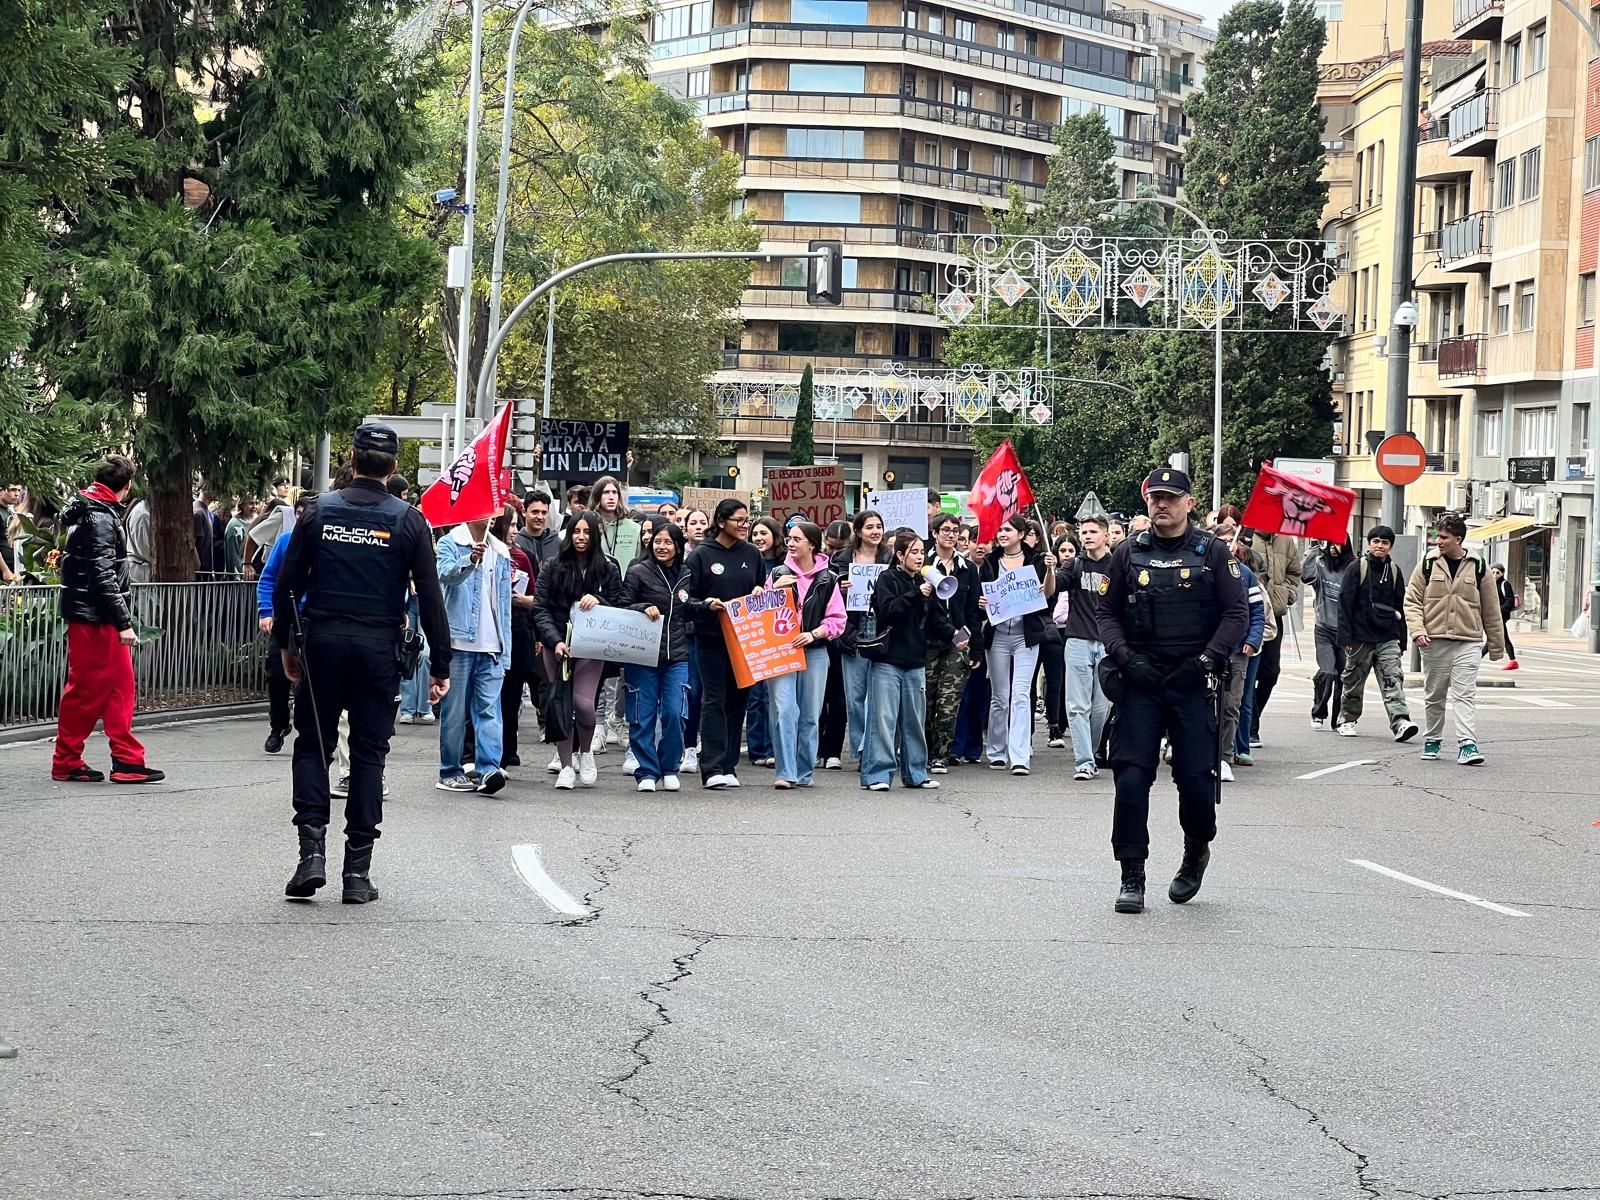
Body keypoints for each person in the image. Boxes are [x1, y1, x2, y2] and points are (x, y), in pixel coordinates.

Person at [273, 423, 450, 903]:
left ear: (350, 459)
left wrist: (287, 648)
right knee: (369, 755)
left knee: (313, 746)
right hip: (377, 652)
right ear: (393, 467)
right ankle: (357, 873)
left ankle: (311, 854)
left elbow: (289, 584)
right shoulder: (409, 521)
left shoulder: (317, 512)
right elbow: (430, 597)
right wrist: (442, 664)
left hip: (322, 644)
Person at [1097, 467, 1248, 915]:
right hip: (1141, 679)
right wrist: (1125, 657)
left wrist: (1206, 660)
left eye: (1170, 498)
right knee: (1130, 778)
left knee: (1197, 785)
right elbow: (1105, 612)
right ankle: (1132, 874)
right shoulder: (1126, 553)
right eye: (1155, 498)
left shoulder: (1214, 552)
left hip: (1191, 681)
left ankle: (1195, 852)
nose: (1161, 505)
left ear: (1189, 503)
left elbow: (1236, 613)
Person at [51, 456, 165, 785]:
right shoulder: (100, 515)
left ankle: (124, 759)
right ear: (126, 487)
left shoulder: (90, 510)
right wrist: (123, 622)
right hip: (95, 617)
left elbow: (100, 573)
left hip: (89, 613)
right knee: (90, 688)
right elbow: (103, 576)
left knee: (116, 686)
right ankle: (72, 759)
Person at [1405, 514, 1504, 765]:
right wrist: (1417, 630)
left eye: (1444, 537)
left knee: (1464, 694)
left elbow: (1491, 609)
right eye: (1437, 536)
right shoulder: (1426, 565)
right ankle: (1433, 739)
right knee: (1435, 695)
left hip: (1468, 641)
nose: (1438, 541)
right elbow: (1412, 601)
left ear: (1458, 539)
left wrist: (1496, 647)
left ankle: (1467, 744)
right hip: (1434, 641)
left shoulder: (1479, 566)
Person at [533, 511, 623, 789]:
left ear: (595, 536)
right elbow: (540, 608)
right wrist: (554, 641)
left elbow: (619, 605)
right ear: (569, 535)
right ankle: (566, 765)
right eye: (576, 532)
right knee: (560, 703)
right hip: (558, 644)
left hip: (591, 645)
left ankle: (585, 752)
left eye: (586, 532)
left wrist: (597, 599)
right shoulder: (553, 566)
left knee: (583, 704)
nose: (581, 538)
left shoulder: (607, 568)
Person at [682, 497, 767, 789]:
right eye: (739, 520)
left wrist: (760, 592)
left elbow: (762, 591)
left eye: (747, 520)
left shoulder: (753, 555)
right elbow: (685, 600)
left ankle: (729, 764)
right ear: (721, 521)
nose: (745, 526)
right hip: (711, 638)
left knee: (738, 700)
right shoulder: (701, 556)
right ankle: (712, 766)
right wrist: (705, 604)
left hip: (745, 640)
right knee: (714, 699)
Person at [433, 508, 513, 794]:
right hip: (458, 641)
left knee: (490, 710)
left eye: (495, 509)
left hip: (492, 644)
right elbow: (445, 575)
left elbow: (504, 604)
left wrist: (506, 651)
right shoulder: (449, 543)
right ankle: (450, 770)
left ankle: (489, 769)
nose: (492, 514)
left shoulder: (501, 549)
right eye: (485, 508)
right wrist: (470, 560)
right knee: (454, 712)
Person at [861, 529, 948, 791]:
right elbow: (888, 612)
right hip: (888, 660)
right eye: (914, 552)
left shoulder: (926, 584)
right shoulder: (887, 579)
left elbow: (934, 620)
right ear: (900, 555)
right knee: (883, 721)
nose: (920, 557)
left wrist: (954, 634)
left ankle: (915, 773)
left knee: (914, 720)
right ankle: (878, 775)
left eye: (922, 552)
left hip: (915, 662)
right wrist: (915, 595)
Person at [767, 521, 846, 789]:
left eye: (797, 539)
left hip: (815, 652)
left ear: (811, 544)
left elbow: (838, 620)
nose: (790, 543)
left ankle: (804, 771)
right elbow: (761, 614)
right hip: (782, 651)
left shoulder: (829, 578)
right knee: (784, 710)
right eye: (789, 538)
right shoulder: (778, 572)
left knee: (810, 714)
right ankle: (785, 771)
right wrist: (774, 591)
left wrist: (813, 634)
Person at [977, 515, 1057, 776]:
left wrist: (1051, 571)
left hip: (1026, 635)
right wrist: (982, 604)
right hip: (997, 635)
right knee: (1000, 696)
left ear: (1022, 534)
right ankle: (997, 751)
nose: (1002, 533)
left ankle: (1020, 755)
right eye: (1000, 529)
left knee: (1021, 694)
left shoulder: (1036, 561)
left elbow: (1047, 594)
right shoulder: (989, 562)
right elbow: (983, 594)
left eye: (1008, 529)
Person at [623, 521, 692, 792]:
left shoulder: (687, 573)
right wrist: (642, 607)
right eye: (657, 542)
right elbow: (622, 604)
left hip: (677, 654)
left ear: (678, 546)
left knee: (676, 713)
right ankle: (647, 771)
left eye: (668, 542)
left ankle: (670, 766)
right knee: (642, 715)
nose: (662, 547)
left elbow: (691, 605)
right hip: (642, 654)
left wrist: (708, 605)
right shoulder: (638, 571)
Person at [1336, 525, 1419, 742]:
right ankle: (1347, 719)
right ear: (1368, 544)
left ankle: (1400, 721)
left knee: (1393, 678)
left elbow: (1400, 605)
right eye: (1376, 541)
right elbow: (1344, 602)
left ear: (1390, 547)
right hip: (1359, 637)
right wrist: (1345, 637)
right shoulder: (1357, 568)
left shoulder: (1394, 571)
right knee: (1354, 680)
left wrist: (1401, 639)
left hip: (1387, 635)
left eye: (1384, 542)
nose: (1380, 546)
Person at [256, 492, 318, 752]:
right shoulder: (285, 541)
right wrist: (266, 612)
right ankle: (278, 724)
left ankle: (308, 728)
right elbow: (269, 578)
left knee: (310, 678)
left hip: (313, 618)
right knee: (278, 675)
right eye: (300, 515)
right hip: (286, 617)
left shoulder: (324, 546)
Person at [923, 512, 980, 773]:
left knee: (949, 701)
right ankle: (921, 752)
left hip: (959, 644)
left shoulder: (968, 570)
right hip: (928, 641)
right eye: (945, 530)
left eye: (955, 531)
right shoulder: (923, 563)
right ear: (934, 534)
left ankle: (941, 755)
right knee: (926, 700)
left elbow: (973, 610)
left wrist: (975, 645)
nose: (951, 535)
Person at [1060, 515, 1113, 781]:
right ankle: (1083, 761)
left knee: (1101, 707)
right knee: (1077, 706)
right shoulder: (1074, 565)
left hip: (1107, 644)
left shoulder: (1117, 565)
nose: (1087, 536)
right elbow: (1052, 588)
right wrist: (1049, 570)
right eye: (1083, 532)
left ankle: (1090, 752)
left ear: (1106, 536)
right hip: (1078, 640)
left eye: (1093, 531)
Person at [838, 509, 890, 762]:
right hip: (854, 630)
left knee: (877, 695)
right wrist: (840, 590)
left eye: (879, 526)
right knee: (856, 695)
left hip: (881, 628)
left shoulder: (890, 558)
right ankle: (860, 748)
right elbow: (828, 597)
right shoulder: (841, 560)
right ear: (858, 531)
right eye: (869, 527)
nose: (875, 531)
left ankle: (873, 747)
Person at [1216, 530, 1266, 782]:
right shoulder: (1201, 571)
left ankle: (1224, 757)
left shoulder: (1245, 576)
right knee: (1201, 706)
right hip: (1207, 651)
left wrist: (1252, 640)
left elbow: (1258, 613)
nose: (1226, 545)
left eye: (1230, 541)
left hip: (1238, 652)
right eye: (1221, 541)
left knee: (1231, 706)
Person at [1247, 529, 1302, 746]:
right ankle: (1251, 728)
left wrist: (1287, 593)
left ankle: (1252, 716)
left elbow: (1294, 572)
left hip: (1273, 613)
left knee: (1271, 672)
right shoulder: (1247, 536)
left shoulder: (1286, 540)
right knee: (1249, 672)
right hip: (1250, 612)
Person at [744, 516, 785, 769]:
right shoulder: (747, 561)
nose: (758, 538)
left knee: (773, 695)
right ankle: (756, 748)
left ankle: (773, 747)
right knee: (755, 696)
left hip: (777, 633)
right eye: (754, 533)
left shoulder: (784, 565)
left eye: (763, 533)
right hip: (752, 633)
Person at [817, 519, 854, 768]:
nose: (833, 554)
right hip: (820, 636)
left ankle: (833, 751)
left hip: (845, 636)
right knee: (818, 697)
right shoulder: (819, 565)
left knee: (839, 698)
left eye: (839, 549)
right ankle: (817, 748)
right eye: (829, 547)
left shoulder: (857, 563)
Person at [1302, 539, 1350, 729]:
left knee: (1343, 676)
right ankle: (1318, 712)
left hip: (1345, 632)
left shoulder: (1352, 568)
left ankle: (1339, 718)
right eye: (1330, 544)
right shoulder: (1321, 565)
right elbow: (1306, 576)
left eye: (1338, 544)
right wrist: (1313, 547)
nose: (1333, 548)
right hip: (1323, 628)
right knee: (1328, 671)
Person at [1488, 564, 1519, 670]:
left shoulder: (1505, 584)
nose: (1495, 575)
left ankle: (1477, 659)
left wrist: (1498, 610)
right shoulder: (1491, 584)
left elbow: (1509, 601)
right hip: (1496, 615)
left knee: (1493, 637)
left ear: (1502, 573)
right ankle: (1513, 661)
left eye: (1497, 573)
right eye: (1493, 572)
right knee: (1502, 637)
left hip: (1501, 615)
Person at [223, 500, 255, 578]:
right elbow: (233, 557)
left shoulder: (254, 522)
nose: (254, 507)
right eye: (251, 503)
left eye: (256, 503)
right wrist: (237, 578)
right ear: (242, 505)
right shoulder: (235, 526)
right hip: (238, 579)